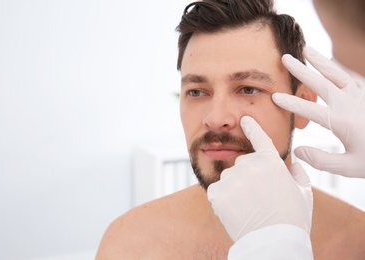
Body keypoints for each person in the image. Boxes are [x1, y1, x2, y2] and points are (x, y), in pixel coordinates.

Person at [95, 0, 365, 259]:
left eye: (248, 88)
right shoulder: (130, 243)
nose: (216, 118)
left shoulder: (357, 241)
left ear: (302, 104)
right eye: (197, 91)